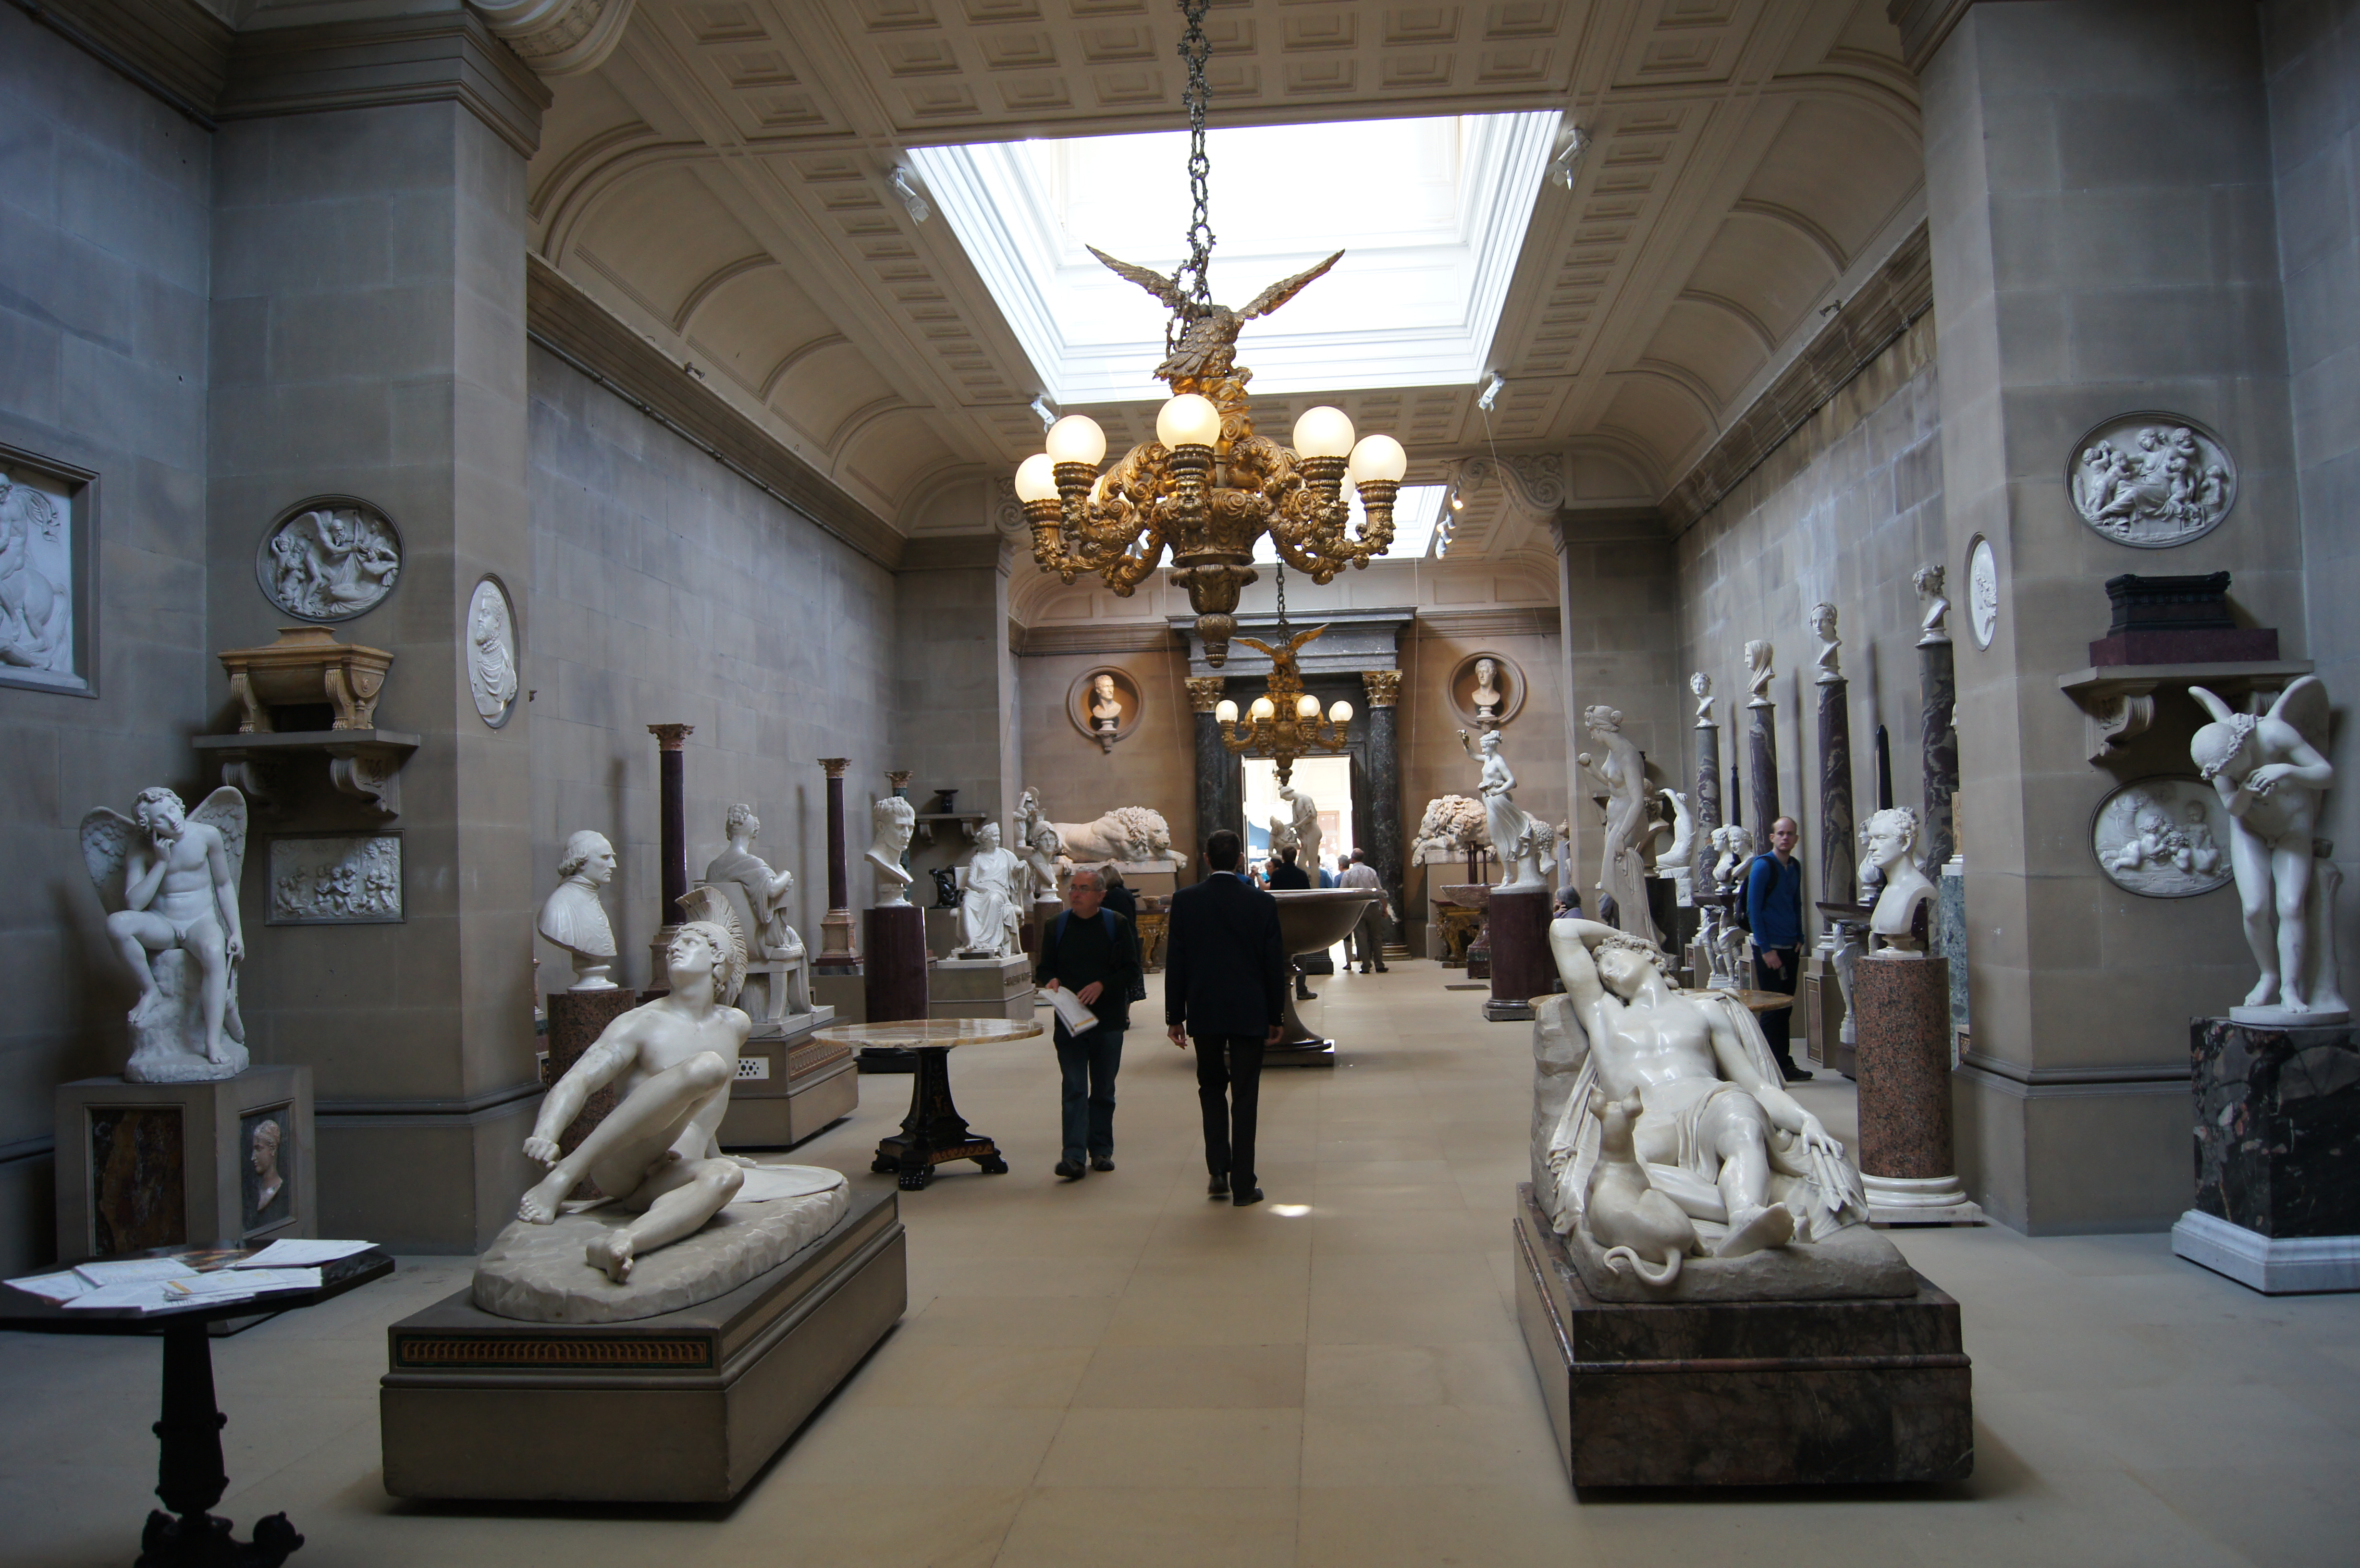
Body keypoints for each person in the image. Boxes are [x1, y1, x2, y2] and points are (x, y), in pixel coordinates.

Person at [1165, 829, 1288, 1206]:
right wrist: (1276, 1014)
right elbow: (1273, 964)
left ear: (1206, 858)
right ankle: (1244, 1185)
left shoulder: (1186, 901)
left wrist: (1175, 1016)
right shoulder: (1261, 902)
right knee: (1246, 1095)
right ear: (1239, 860)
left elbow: (1177, 961)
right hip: (1249, 1009)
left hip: (1205, 1009)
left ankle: (1218, 1170)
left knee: (1211, 1087)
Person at [1035, 867, 1142, 1180]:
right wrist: (1051, 980)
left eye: (1084, 889)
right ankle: (1073, 1156)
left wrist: (1102, 985)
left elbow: (1131, 970)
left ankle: (1102, 1150)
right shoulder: (1056, 926)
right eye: (1073, 888)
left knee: (1104, 1089)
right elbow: (1044, 968)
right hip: (1070, 1022)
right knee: (1074, 1087)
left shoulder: (1115, 924)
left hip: (1108, 1020)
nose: (1076, 894)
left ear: (1100, 895)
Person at [1744, 816, 1812, 1081]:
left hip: (1790, 946)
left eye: (1790, 834)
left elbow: (1796, 902)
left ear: (1796, 839)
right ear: (1772, 837)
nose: (1786, 838)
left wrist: (1800, 936)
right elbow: (1754, 910)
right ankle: (1768, 1069)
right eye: (1781, 833)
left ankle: (1784, 1064)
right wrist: (1766, 949)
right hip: (1769, 949)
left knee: (1785, 1009)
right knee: (1772, 1011)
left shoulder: (1794, 866)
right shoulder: (1763, 866)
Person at [1340, 848, 1390, 973]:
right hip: (1373, 906)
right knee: (1377, 937)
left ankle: (1366, 965)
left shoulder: (1348, 874)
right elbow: (1379, 891)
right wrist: (1384, 907)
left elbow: (1343, 893)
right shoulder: (1371, 871)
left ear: (1352, 860)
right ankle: (1379, 964)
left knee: (1361, 937)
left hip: (1357, 908)